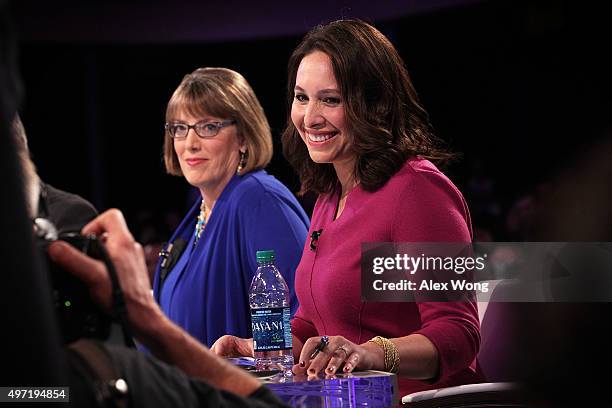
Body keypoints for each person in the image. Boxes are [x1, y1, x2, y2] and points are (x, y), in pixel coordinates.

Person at [211, 19, 482, 396]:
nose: (310, 117)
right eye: (302, 97)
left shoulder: (418, 191)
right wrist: (259, 349)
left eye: (331, 99)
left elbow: (458, 333)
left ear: (375, 104)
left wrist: (370, 353)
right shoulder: (330, 195)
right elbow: (312, 324)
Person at [155, 67, 309, 347]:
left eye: (208, 127)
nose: (189, 143)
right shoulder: (201, 213)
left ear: (243, 137)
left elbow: (305, 318)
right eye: (180, 128)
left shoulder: (259, 201)